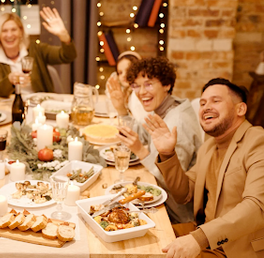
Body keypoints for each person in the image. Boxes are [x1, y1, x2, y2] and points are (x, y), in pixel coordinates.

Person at [152, 78, 264, 258]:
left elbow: (258, 206)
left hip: (237, 250)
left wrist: (199, 238)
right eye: (203, 103)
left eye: (216, 101)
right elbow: (184, 194)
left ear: (240, 109)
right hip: (206, 240)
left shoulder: (258, 141)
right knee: (146, 239)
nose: (205, 107)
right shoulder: (209, 146)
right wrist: (167, 154)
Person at [117, 57, 202, 223]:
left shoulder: (177, 123)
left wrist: (141, 152)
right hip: (161, 201)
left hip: (176, 216)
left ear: (166, 85)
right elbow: (141, 135)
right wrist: (121, 109)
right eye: (136, 86)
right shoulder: (165, 108)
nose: (141, 92)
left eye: (148, 84)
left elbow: (174, 186)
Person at [0, 7, 77, 97]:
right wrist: (9, 80)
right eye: (4, 31)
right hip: (12, 106)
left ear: (21, 32)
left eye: (14, 30)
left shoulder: (37, 50)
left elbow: (68, 56)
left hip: (40, 105)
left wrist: (64, 36)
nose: (9, 35)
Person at [106, 51, 148, 123]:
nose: (124, 75)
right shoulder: (125, 92)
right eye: (120, 72)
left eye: (128, 70)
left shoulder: (138, 94)